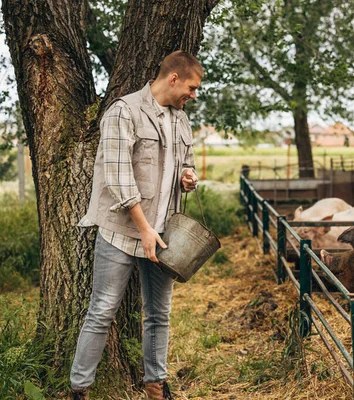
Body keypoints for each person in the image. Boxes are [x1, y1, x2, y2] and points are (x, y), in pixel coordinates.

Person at [70, 50, 202, 400]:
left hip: (162, 236)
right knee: (102, 311)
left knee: (159, 314)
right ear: (173, 78)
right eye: (191, 87)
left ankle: (155, 386)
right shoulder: (124, 111)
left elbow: (186, 165)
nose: (193, 94)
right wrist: (144, 228)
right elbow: (119, 178)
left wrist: (189, 178)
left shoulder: (181, 120)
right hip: (122, 232)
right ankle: (79, 389)